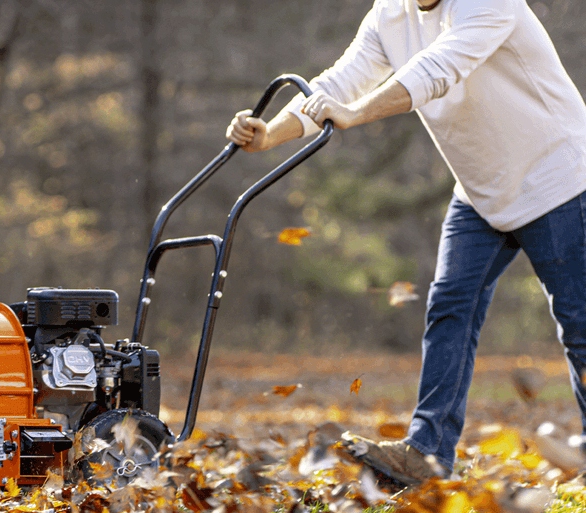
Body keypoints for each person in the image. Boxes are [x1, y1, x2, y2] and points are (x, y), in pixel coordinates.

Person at [227, 0, 586, 487]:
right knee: (449, 309)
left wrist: (355, 113)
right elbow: (337, 83)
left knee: (579, 327)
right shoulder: (389, 15)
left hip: (558, 178)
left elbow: (437, 71)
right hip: (481, 191)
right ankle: (427, 455)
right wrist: (270, 135)